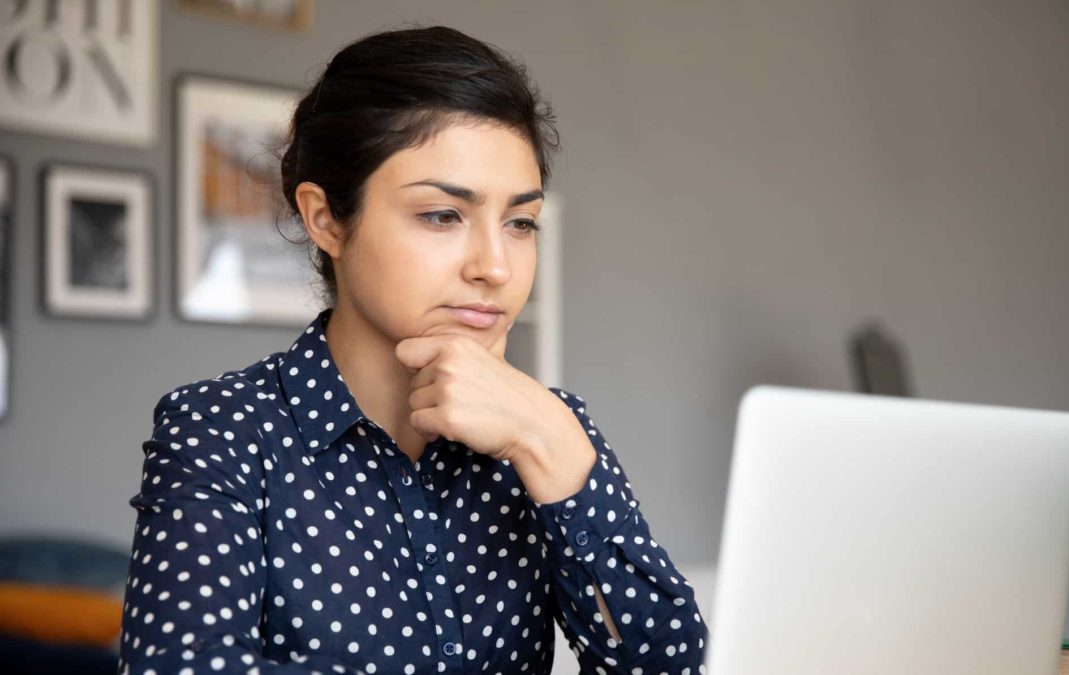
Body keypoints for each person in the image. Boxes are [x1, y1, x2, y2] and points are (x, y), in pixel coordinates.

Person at [117, 24, 708, 674]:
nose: (495, 267)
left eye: (520, 223)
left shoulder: (543, 425)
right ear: (326, 219)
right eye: (442, 215)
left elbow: (665, 664)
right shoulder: (222, 429)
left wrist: (548, 439)